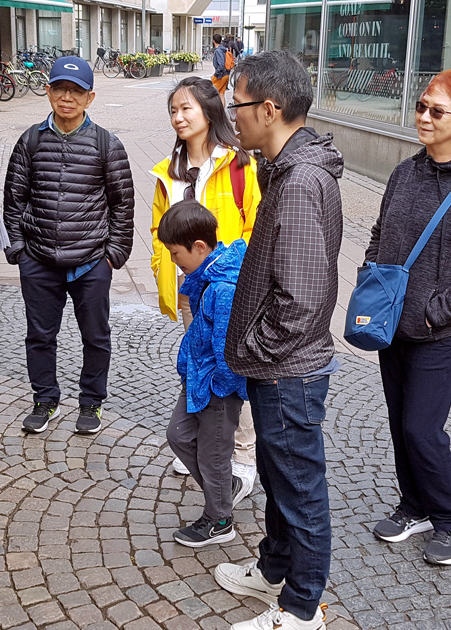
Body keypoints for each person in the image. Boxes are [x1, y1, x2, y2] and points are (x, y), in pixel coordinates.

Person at [213, 50, 344, 630]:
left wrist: (258, 352)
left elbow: (304, 298)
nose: (229, 114)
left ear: (270, 108)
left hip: (287, 369)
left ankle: (301, 608)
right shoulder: (284, 170)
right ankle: (273, 569)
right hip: (278, 367)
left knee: (300, 491)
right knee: (279, 477)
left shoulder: (301, 181)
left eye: (235, 102)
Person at [366, 67, 451, 566]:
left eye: (435, 110)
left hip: (436, 334)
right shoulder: (406, 172)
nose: (423, 116)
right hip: (390, 324)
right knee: (402, 425)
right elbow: (382, 232)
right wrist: (370, 275)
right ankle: (414, 505)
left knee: (424, 430)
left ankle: (450, 520)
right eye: (422, 106)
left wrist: (432, 313)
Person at [4, 56, 135, 436]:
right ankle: (45, 399)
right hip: (39, 258)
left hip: (91, 259)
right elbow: (14, 198)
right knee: (40, 335)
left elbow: (122, 204)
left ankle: (91, 402)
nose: (67, 97)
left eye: (76, 91)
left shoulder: (107, 144)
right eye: (60, 88)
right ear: (47, 91)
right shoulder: (30, 139)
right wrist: (18, 248)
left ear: (90, 98)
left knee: (96, 336)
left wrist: (113, 255)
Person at [152, 76, 261, 502]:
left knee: (230, 365)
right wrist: (164, 268)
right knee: (199, 359)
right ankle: (202, 439)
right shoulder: (168, 169)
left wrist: (239, 277)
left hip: (226, 288)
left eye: (186, 109)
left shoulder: (237, 164)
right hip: (186, 288)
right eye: (173, 111)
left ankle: (243, 456)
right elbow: (158, 226)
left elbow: (254, 224)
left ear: (209, 112)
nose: (178, 118)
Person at [160, 200, 248, 547]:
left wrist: (219, 385)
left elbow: (228, 347)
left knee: (213, 454)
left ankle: (219, 519)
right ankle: (224, 490)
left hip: (216, 387)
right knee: (179, 435)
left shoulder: (221, 288)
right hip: (199, 379)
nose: (173, 260)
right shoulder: (206, 277)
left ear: (199, 247)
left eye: (175, 253)